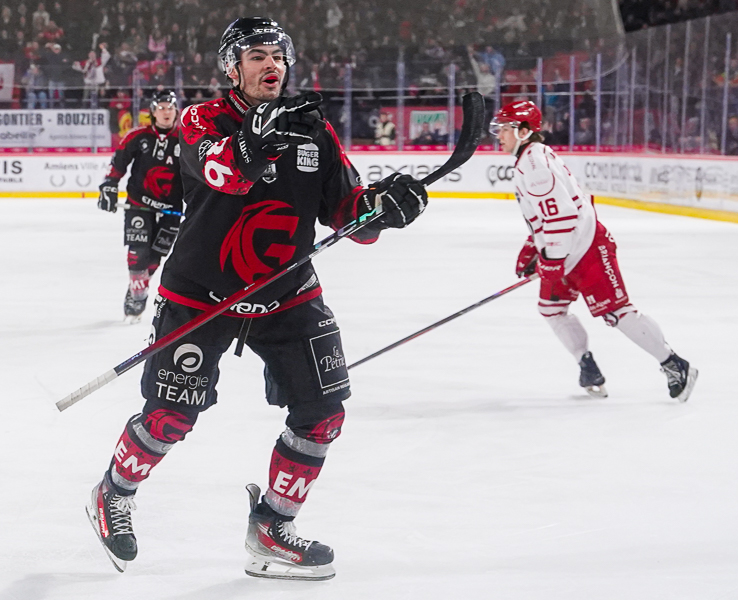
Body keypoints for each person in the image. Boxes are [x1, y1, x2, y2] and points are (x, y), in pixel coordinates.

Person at [85, 17, 427, 581]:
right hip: (202, 296)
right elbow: (224, 171)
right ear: (231, 67)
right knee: (171, 416)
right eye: (257, 56)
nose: (272, 66)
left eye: (279, 56)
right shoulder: (200, 121)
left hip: (287, 294)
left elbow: (348, 217)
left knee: (323, 415)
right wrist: (256, 137)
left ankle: (272, 527)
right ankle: (111, 493)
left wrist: (382, 209)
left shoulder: (314, 130)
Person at [490, 100, 697, 401]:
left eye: (506, 129)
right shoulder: (530, 157)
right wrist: (534, 246)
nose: (499, 135)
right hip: (563, 250)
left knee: (616, 313)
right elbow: (550, 213)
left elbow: (562, 216)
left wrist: (551, 260)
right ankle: (587, 365)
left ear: (523, 131)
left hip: (586, 249)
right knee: (551, 309)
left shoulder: (533, 164)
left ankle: (675, 364)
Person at [97, 89, 183, 322]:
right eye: (161, 108)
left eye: (170, 108)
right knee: (138, 252)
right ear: (153, 113)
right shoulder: (139, 136)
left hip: (171, 209)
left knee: (155, 257)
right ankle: (136, 297)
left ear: (176, 111)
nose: (166, 113)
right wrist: (109, 185)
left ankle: (138, 288)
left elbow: (198, 173)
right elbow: (118, 162)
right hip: (139, 204)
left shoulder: (186, 140)